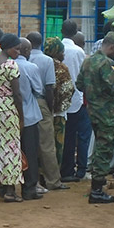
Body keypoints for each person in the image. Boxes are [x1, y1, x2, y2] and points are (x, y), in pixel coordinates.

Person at [76, 32, 114, 203]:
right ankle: (97, 191)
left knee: (98, 146)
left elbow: (79, 84)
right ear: (112, 47)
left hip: (92, 110)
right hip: (106, 112)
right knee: (105, 149)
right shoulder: (108, 63)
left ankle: (97, 185)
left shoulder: (87, 61)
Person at [0, 34, 24, 202]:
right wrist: (21, 117)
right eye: (17, 48)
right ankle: (9, 191)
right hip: (7, 109)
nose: (19, 52)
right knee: (10, 148)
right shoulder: (11, 65)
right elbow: (17, 94)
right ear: (8, 48)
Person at [28, 32, 69, 191]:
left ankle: (33, 179)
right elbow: (49, 87)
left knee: (29, 143)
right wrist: (50, 109)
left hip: (24, 102)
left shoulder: (22, 59)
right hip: (41, 101)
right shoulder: (47, 61)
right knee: (47, 143)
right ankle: (53, 181)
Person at [60, 20, 91, 183]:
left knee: (66, 136)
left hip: (60, 100)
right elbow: (82, 76)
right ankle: (80, 170)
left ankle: (66, 169)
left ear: (61, 31)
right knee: (82, 136)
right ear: (74, 33)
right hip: (77, 98)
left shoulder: (57, 48)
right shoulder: (79, 51)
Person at [16, 38, 44, 200]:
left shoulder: (4, 65)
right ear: (26, 51)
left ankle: (7, 188)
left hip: (10, 115)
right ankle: (29, 188)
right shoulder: (31, 67)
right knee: (30, 152)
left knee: (12, 151)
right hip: (29, 115)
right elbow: (39, 90)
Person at [43, 37, 75, 167]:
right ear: (55, 52)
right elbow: (68, 90)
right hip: (59, 112)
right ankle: (55, 173)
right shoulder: (61, 68)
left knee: (44, 144)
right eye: (61, 51)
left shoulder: (41, 63)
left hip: (43, 111)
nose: (63, 54)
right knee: (57, 145)